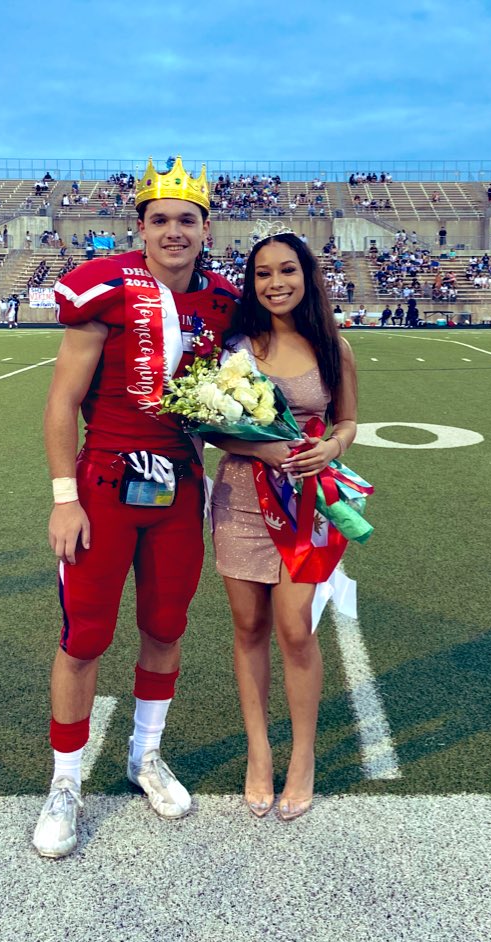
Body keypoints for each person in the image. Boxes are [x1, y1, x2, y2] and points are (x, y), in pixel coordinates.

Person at [32, 156, 237, 858]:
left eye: (186, 219)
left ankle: (144, 756)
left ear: (206, 227)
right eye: (160, 220)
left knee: (165, 623)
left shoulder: (219, 299)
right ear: (140, 227)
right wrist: (64, 499)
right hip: (106, 484)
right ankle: (65, 782)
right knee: (85, 634)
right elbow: (61, 401)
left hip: (179, 484)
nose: (173, 231)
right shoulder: (106, 289)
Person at [210, 232, 357, 820]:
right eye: (264, 273)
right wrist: (262, 451)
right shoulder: (235, 346)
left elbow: (346, 421)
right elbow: (208, 426)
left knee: (295, 629)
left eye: (287, 271)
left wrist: (332, 448)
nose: (276, 283)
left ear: (306, 276)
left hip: (305, 505)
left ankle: (302, 757)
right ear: (252, 281)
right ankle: (259, 752)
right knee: (248, 628)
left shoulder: (332, 346)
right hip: (242, 501)